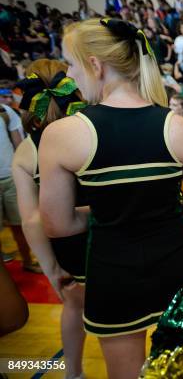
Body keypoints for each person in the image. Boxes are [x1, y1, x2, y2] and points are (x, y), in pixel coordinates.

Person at [38, 18, 183, 379]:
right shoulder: (181, 128)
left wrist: (106, 212)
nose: (70, 74)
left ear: (95, 64)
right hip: (177, 263)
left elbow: (56, 224)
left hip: (114, 270)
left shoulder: (62, 134)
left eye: (71, 63)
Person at [12, 59, 88, 379]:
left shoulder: (27, 152)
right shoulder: (88, 131)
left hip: (66, 247)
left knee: (73, 305)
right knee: (120, 315)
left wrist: (52, 270)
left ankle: (73, 372)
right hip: (106, 236)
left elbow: (31, 219)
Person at [0, 87, 41, 271]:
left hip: (10, 177)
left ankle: (27, 261)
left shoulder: (6, 112)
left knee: (20, 224)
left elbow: (18, 143)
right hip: (10, 176)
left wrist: (24, 172)